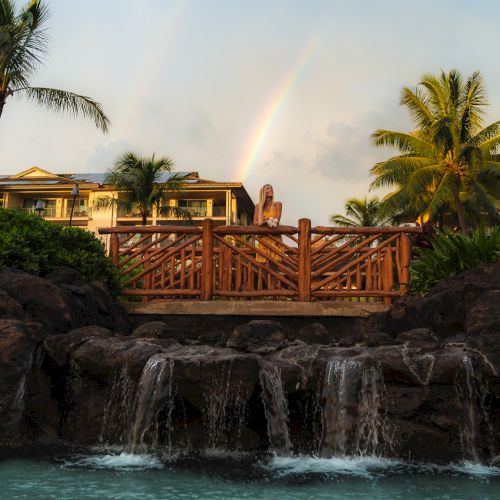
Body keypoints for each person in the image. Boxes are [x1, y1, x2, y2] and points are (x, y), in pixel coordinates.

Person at [253, 184, 283, 265]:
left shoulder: (278, 204)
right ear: (263, 192)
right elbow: (255, 222)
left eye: (271, 188)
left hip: (275, 239)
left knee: (275, 266)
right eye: (268, 188)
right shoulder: (258, 206)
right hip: (263, 239)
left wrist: (263, 222)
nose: (270, 190)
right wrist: (265, 223)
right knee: (264, 268)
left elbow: (276, 221)